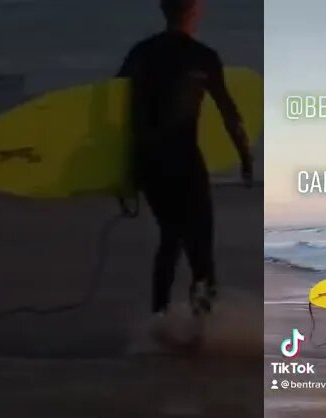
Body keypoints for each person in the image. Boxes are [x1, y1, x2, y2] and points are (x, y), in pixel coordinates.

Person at [117, 0, 253, 322]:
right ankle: (202, 327)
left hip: (148, 163)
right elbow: (230, 115)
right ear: (194, 11)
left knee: (170, 238)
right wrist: (246, 158)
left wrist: (122, 169)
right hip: (185, 162)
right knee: (200, 249)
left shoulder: (141, 53)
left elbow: (116, 107)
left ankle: (158, 320)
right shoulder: (203, 57)